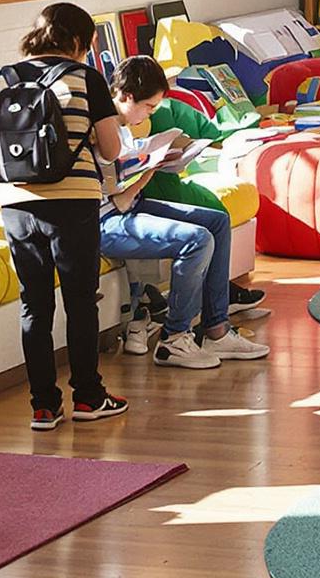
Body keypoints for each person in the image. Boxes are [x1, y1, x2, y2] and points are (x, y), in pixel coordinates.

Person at [0, 2, 134, 430]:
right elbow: (110, 149)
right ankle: (88, 397)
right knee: (80, 301)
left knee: (34, 304)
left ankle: (43, 407)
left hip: (16, 205)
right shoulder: (87, 79)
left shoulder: (2, 79)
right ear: (76, 42)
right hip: (73, 201)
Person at [98, 58, 269, 369]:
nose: (150, 113)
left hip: (127, 207)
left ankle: (216, 329)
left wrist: (159, 158)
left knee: (216, 221)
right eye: (149, 107)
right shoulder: (103, 129)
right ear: (124, 95)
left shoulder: (121, 127)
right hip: (107, 219)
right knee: (197, 239)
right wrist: (151, 167)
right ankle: (174, 338)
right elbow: (120, 199)